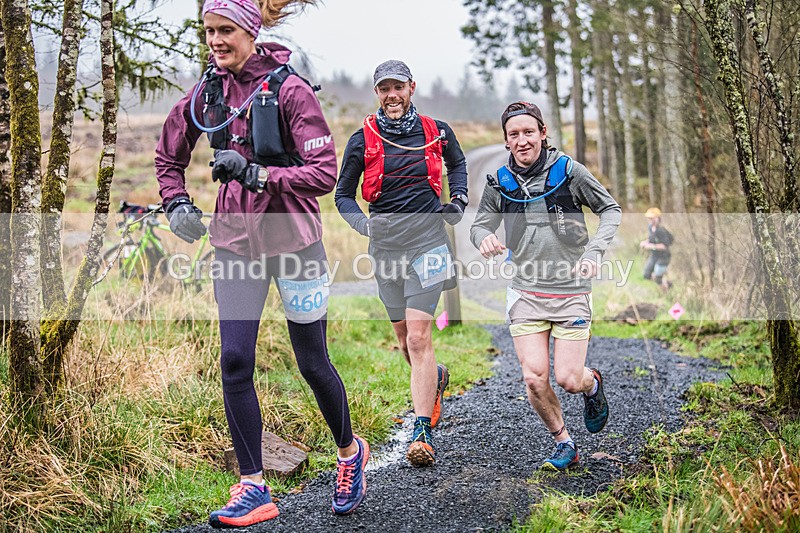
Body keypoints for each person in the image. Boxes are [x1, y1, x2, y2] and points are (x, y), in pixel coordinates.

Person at [155, 0, 368, 527]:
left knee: (312, 362)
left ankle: (349, 452)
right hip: (233, 244)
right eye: (208, 31)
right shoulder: (207, 95)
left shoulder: (290, 90)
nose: (215, 41)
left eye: (225, 30)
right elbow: (168, 155)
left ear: (250, 31)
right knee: (234, 361)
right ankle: (253, 486)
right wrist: (176, 200)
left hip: (295, 243)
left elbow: (324, 173)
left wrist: (256, 175)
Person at [470, 102, 621, 471]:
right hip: (525, 292)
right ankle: (564, 442)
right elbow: (478, 226)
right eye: (514, 135)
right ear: (506, 141)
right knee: (534, 378)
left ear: (542, 133)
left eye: (528, 132)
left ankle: (592, 385)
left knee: (568, 379)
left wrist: (596, 251)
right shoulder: (499, 182)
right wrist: (484, 238)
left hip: (570, 290)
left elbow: (610, 209)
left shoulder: (569, 171)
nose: (522, 141)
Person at [335, 60, 469, 467]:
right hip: (386, 249)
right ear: (377, 93)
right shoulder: (363, 139)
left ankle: (422, 431)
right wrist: (364, 226)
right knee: (403, 340)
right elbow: (343, 195)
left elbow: (458, 165)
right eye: (384, 89)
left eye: (398, 87)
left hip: (428, 244)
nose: (392, 95)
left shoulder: (437, 131)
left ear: (412, 87)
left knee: (418, 338)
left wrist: (458, 201)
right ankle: (435, 378)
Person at [640, 207, 673, 290]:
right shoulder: (650, 227)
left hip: (663, 257)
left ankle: (666, 290)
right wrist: (645, 242)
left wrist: (651, 246)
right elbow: (651, 240)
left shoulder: (661, 230)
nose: (650, 220)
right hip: (654, 256)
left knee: (658, 278)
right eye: (649, 218)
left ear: (658, 218)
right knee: (646, 275)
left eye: (652, 218)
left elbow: (664, 246)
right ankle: (665, 283)